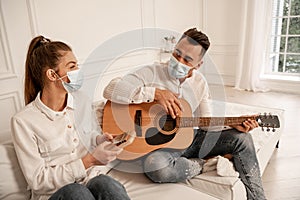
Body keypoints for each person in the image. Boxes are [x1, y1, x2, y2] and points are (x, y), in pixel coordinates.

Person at [103, 28, 266, 200]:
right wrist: (154, 94)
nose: (178, 61)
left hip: (189, 138)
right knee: (158, 168)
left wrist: (232, 124)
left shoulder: (200, 83)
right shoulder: (152, 72)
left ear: (198, 65)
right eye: (177, 54)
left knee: (242, 139)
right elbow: (110, 89)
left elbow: (205, 122)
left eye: (187, 60)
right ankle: (201, 164)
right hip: (158, 149)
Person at [11, 36, 131, 200]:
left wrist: (101, 139)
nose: (78, 71)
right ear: (52, 75)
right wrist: (88, 161)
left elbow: (89, 136)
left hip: (88, 180)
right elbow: (37, 180)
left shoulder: (81, 101)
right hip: (54, 193)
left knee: (105, 183)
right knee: (76, 192)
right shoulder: (23, 121)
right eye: (72, 66)